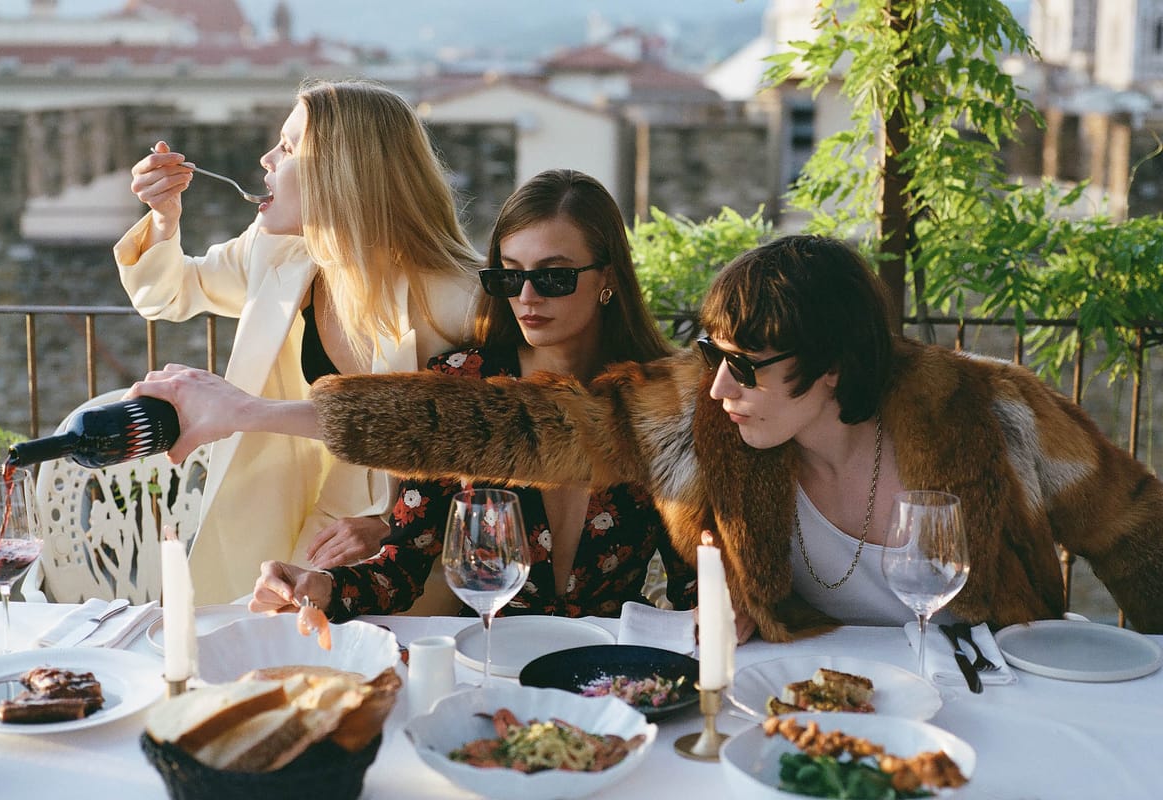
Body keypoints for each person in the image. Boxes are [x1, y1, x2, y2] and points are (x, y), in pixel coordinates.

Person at [130, 235, 1163, 640]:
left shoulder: (995, 413)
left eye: (746, 366)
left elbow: (1138, 529)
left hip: (994, 709)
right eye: (708, 351)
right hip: (799, 719)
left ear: (836, 369)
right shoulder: (700, 416)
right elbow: (502, 426)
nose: (715, 387)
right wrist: (256, 412)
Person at [246, 168, 697, 620]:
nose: (526, 297)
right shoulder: (463, 384)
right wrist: (317, 587)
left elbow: (694, 581)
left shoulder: (665, 400)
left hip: (612, 663)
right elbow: (401, 568)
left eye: (554, 276)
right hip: (487, 654)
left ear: (608, 278)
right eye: (509, 276)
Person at [116, 78, 482, 604]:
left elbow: (483, 455)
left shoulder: (458, 301)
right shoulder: (278, 252)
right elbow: (172, 293)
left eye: (287, 147)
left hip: (407, 560)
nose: (266, 159)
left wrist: (389, 527)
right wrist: (163, 218)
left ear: (342, 171)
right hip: (292, 515)